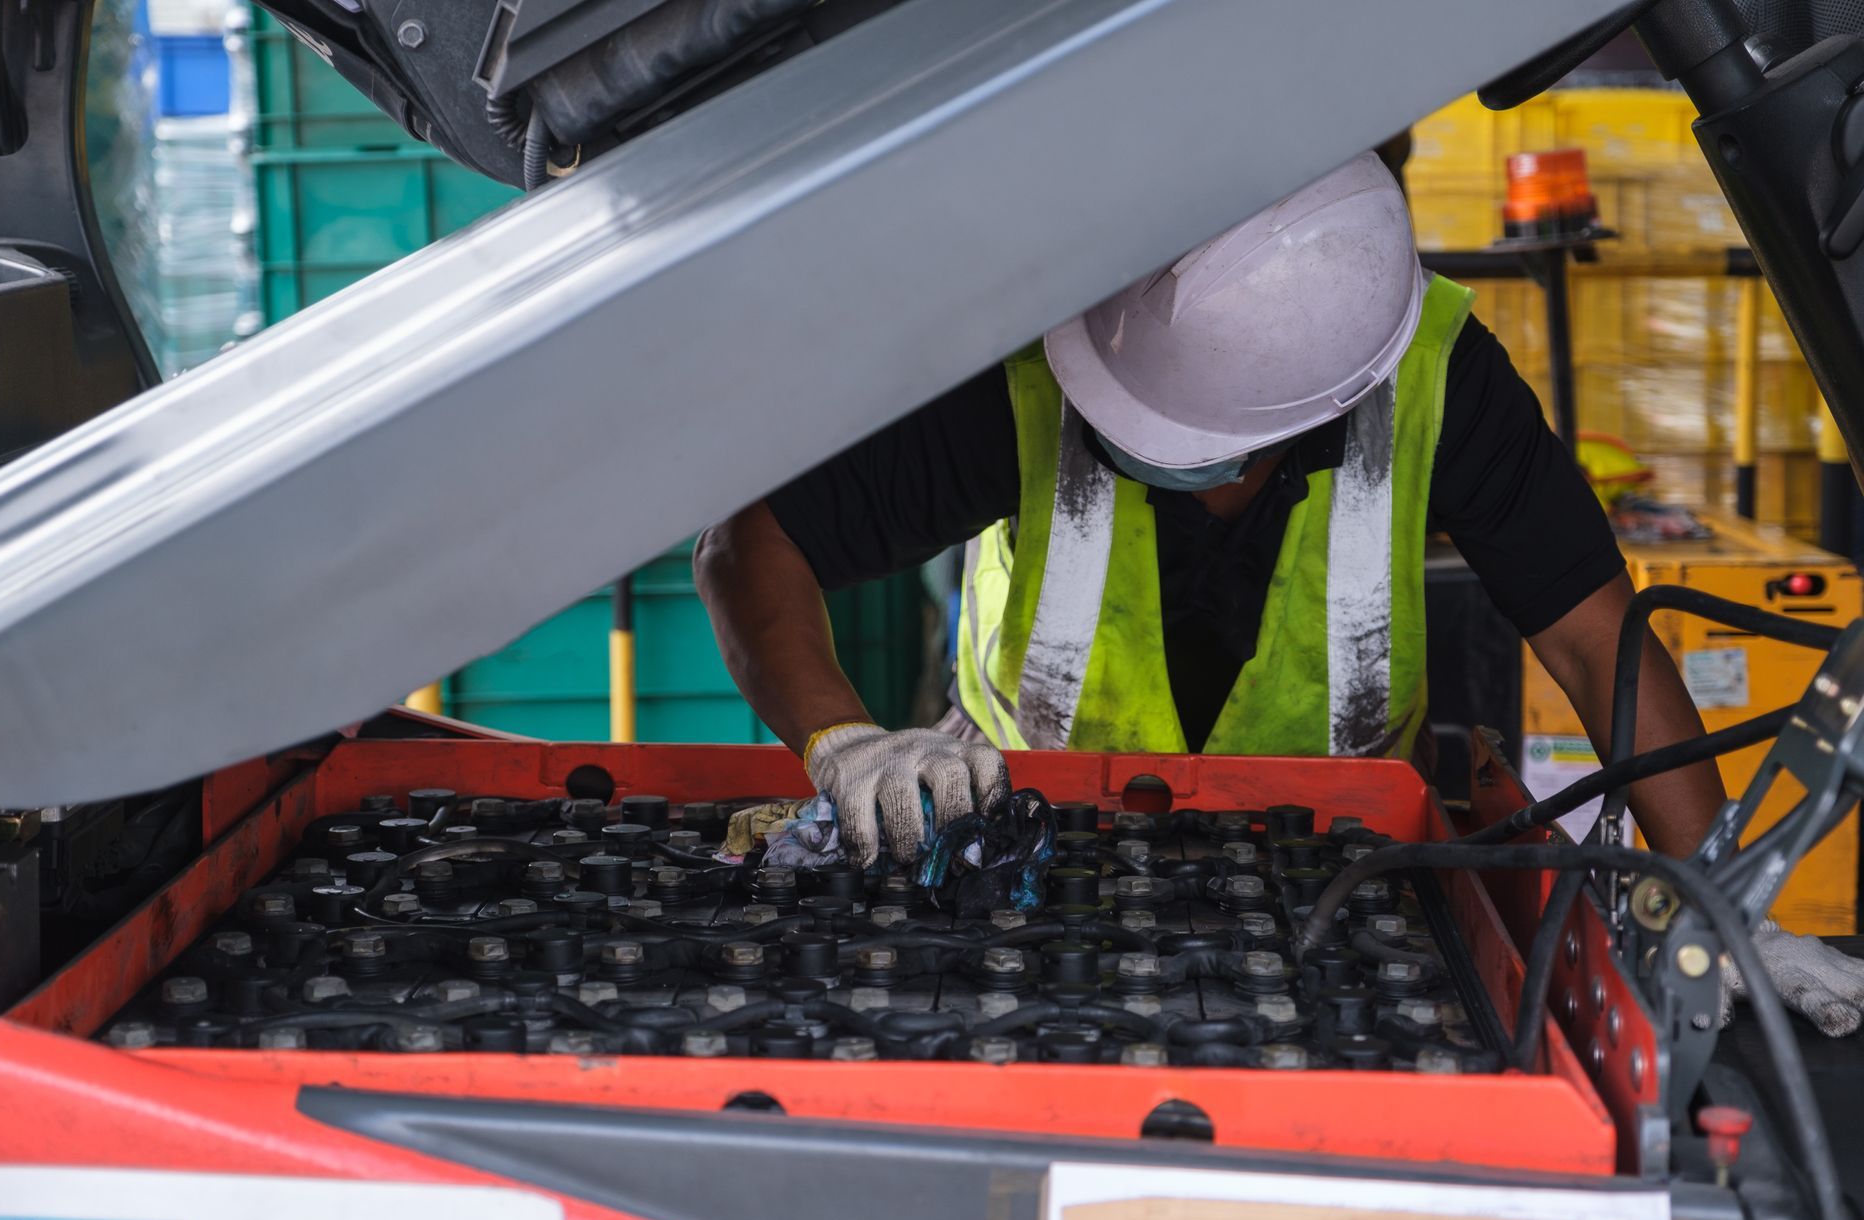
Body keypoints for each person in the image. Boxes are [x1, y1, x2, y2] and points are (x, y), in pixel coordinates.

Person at [695, 152, 1864, 1034]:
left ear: (1324, 398)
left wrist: (1720, 892)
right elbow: (747, 547)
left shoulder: (1441, 379)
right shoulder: (1044, 356)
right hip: (1019, 849)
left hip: (1342, 879)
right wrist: (844, 742)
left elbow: (1594, 632)